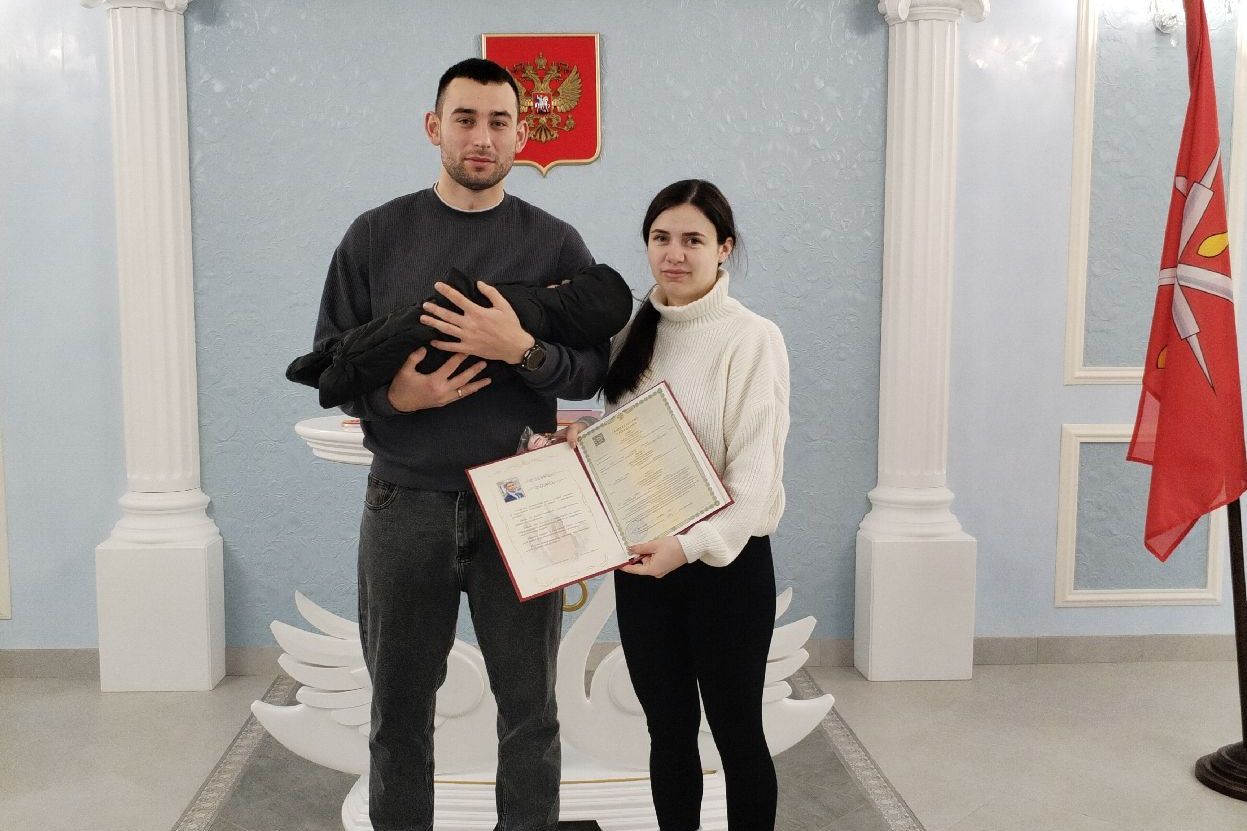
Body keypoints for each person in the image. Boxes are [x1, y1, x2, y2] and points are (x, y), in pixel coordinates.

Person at [311, 58, 608, 831]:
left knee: (530, 709)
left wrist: (522, 350)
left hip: (522, 504)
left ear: (521, 135)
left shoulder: (554, 244)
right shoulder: (375, 236)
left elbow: (591, 368)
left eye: (499, 121)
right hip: (404, 502)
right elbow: (331, 363)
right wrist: (395, 398)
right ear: (433, 127)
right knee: (398, 709)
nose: (482, 136)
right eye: (465, 118)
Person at [567, 180, 790, 830]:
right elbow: (630, 446)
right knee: (667, 732)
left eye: (693, 239)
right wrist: (583, 439)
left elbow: (754, 480)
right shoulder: (630, 334)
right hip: (645, 567)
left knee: (737, 734)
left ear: (724, 248)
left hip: (726, 568)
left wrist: (688, 547)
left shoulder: (752, 338)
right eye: (661, 237)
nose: (674, 253)